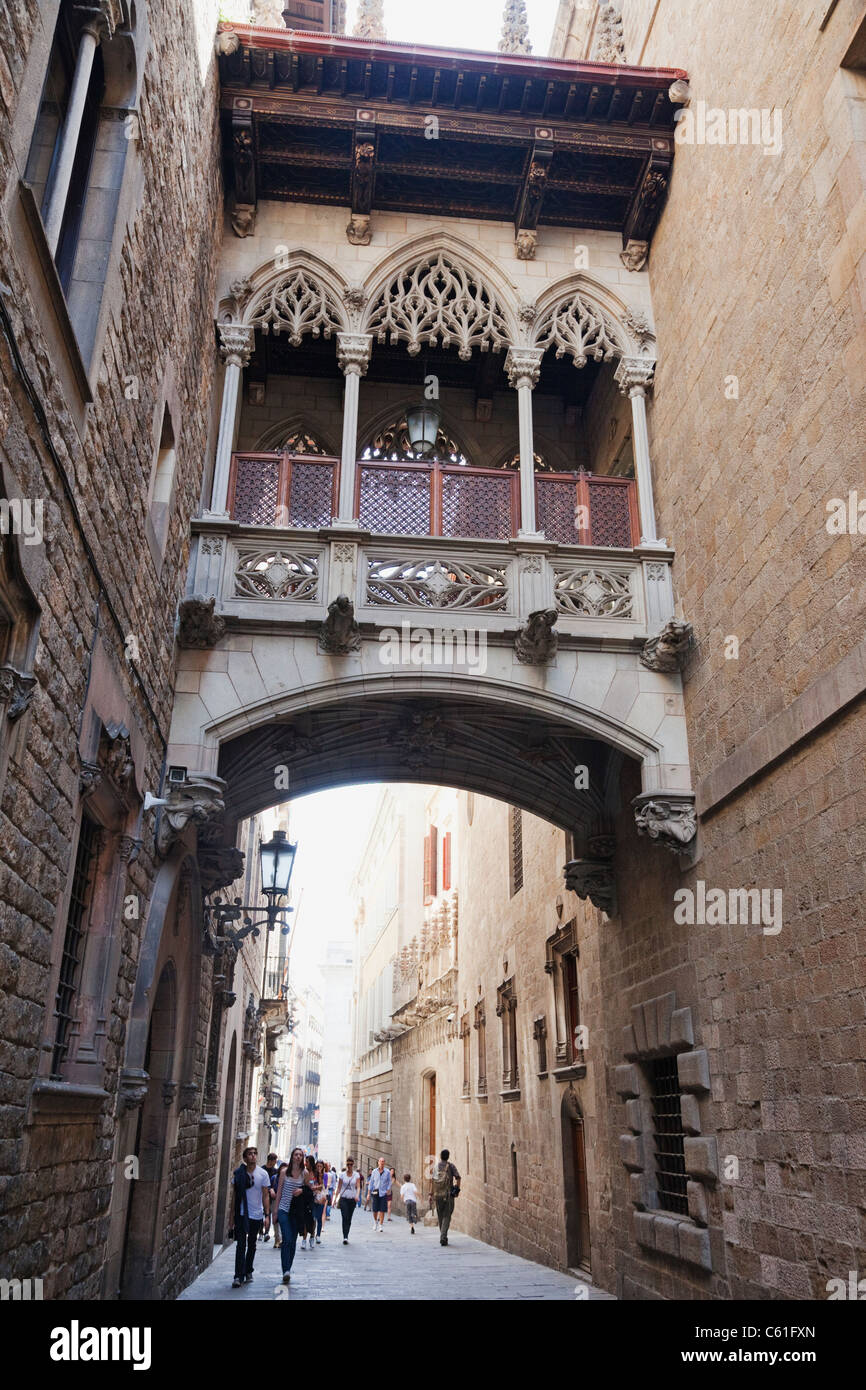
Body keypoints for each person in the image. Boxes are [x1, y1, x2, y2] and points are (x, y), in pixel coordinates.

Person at [231, 1146, 271, 1288]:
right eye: (250, 1154)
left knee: (252, 1244)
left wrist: (267, 1215)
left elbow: (265, 1195)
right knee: (241, 1245)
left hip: (256, 1215)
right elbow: (234, 1197)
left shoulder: (263, 1174)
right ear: (245, 1158)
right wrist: (232, 1218)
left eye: (255, 1153)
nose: (253, 1156)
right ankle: (238, 1276)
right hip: (242, 1214)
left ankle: (248, 1270)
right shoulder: (239, 1174)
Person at [273, 1147, 311, 1284]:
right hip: (284, 1210)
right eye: (296, 1154)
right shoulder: (284, 1172)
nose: (298, 1157)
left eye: (300, 1155)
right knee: (287, 1239)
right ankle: (285, 1270)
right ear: (292, 1156)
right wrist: (275, 1211)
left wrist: (301, 1190)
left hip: (297, 1212)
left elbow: (309, 1192)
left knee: (292, 1241)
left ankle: (288, 1268)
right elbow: (279, 1192)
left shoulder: (305, 1174)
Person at [429, 1148, 461, 1247]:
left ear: (440, 1156)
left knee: (440, 1215)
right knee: (447, 1216)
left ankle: (443, 1236)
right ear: (448, 1156)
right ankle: (443, 1237)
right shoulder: (450, 1166)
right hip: (448, 1195)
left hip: (438, 1195)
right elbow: (458, 1177)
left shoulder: (436, 1167)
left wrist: (431, 1194)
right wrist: (457, 1189)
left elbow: (433, 1181)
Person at [333, 1156, 361, 1243]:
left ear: (353, 1165)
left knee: (349, 1218)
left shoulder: (356, 1175)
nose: (349, 1166)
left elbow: (358, 1187)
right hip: (343, 1199)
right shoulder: (342, 1175)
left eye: (351, 1164)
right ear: (346, 1164)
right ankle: (345, 1237)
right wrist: (335, 1199)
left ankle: (347, 1234)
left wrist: (357, 1195)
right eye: (348, 1164)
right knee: (344, 1217)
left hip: (352, 1199)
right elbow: (339, 1187)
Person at [368, 1156, 392, 1232]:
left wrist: (388, 1189)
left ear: (384, 1163)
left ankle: (381, 1225)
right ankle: (375, 1222)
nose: (382, 1163)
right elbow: (371, 1183)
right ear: (378, 1162)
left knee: (382, 1210)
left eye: (383, 1161)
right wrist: (368, 1193)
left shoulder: (387, 1172)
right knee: (375, 1210)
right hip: (375, 1192)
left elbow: (389, 1181)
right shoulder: (374, 1171)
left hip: (383, 1193)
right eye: (380, 1161)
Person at [300, 1154, 317, 1250]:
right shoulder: (303, 1172)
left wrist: (315, 1187)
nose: (306, 1163)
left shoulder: (315, 1173)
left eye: (307, 1161)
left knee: (313, 1219)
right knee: (305, 1220)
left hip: (314, 1199)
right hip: (305, 1198)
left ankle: (312, 1237)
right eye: (305, 1161)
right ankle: (304, 1240)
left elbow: (321, 1184)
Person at [262, 1152, 281, 1243]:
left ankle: (266, 1233)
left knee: (269, 1213)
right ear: (270, 1161)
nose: (275, 1163)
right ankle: (261, 1231)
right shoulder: (263, 1169)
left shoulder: (276, 1171)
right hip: (262, 1195)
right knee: (264, 1213)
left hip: (272, 1197)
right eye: (274, 1161)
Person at [312, 1159, 328, 1244]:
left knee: (319, 1217)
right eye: (317, 1166)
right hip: (313, 1198)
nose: (319, 1168)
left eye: (320, 1166)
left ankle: (318, 1235)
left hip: (321, 1198)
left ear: (323, 1167)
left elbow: (323, 1186)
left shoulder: (325, 1175)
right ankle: (312, 1233)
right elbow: (312, 1184)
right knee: (313, 1217)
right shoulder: (313, 1175)